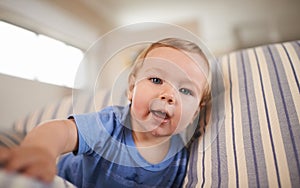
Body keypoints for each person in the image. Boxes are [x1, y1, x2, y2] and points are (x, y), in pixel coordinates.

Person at [0, 38, 211, 187]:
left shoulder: (182, 160)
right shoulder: (110, 125)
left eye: (185, 90)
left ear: (194, 114)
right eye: (156, 80)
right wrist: (41, 151)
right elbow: (63, 131)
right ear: (131, 88)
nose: (168, 95)